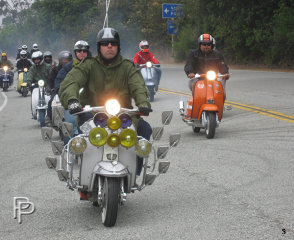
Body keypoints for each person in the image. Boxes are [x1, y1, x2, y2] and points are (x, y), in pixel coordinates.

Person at [59, 28, 152, 176]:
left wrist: (143, 103)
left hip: (123, 115)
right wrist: (72, 100)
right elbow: (71, 82)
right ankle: (83, 176)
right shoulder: (88, 65)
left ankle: (135, 173)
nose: (109, 46)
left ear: (118, 46)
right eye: (105, 43)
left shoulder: (128, 66)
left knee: (144, 129)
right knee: (83, 138)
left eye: (113, 43)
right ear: (99, 47)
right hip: (93, 114)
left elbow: (138, 86)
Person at [53, 40, 92, 141]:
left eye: (84, 50)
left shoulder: (95, 66)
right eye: (79, 51)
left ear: (88, 52)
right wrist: (63, 92)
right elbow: (60, 83)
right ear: (75, 52)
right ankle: (69, 151)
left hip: (94, 102)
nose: (82, 53)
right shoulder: (68, 67)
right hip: (73, 103)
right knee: (71, 127)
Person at [46, 50, 73, 125]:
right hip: (58, 91)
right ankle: (49, 118)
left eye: (68, 60)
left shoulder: (74, 68)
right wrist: (48, 87)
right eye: (64, 60)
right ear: (60, 61)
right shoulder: (55, 69)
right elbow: (50, 79)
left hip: (72, 91)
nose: (66, 62)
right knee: (51, 101)